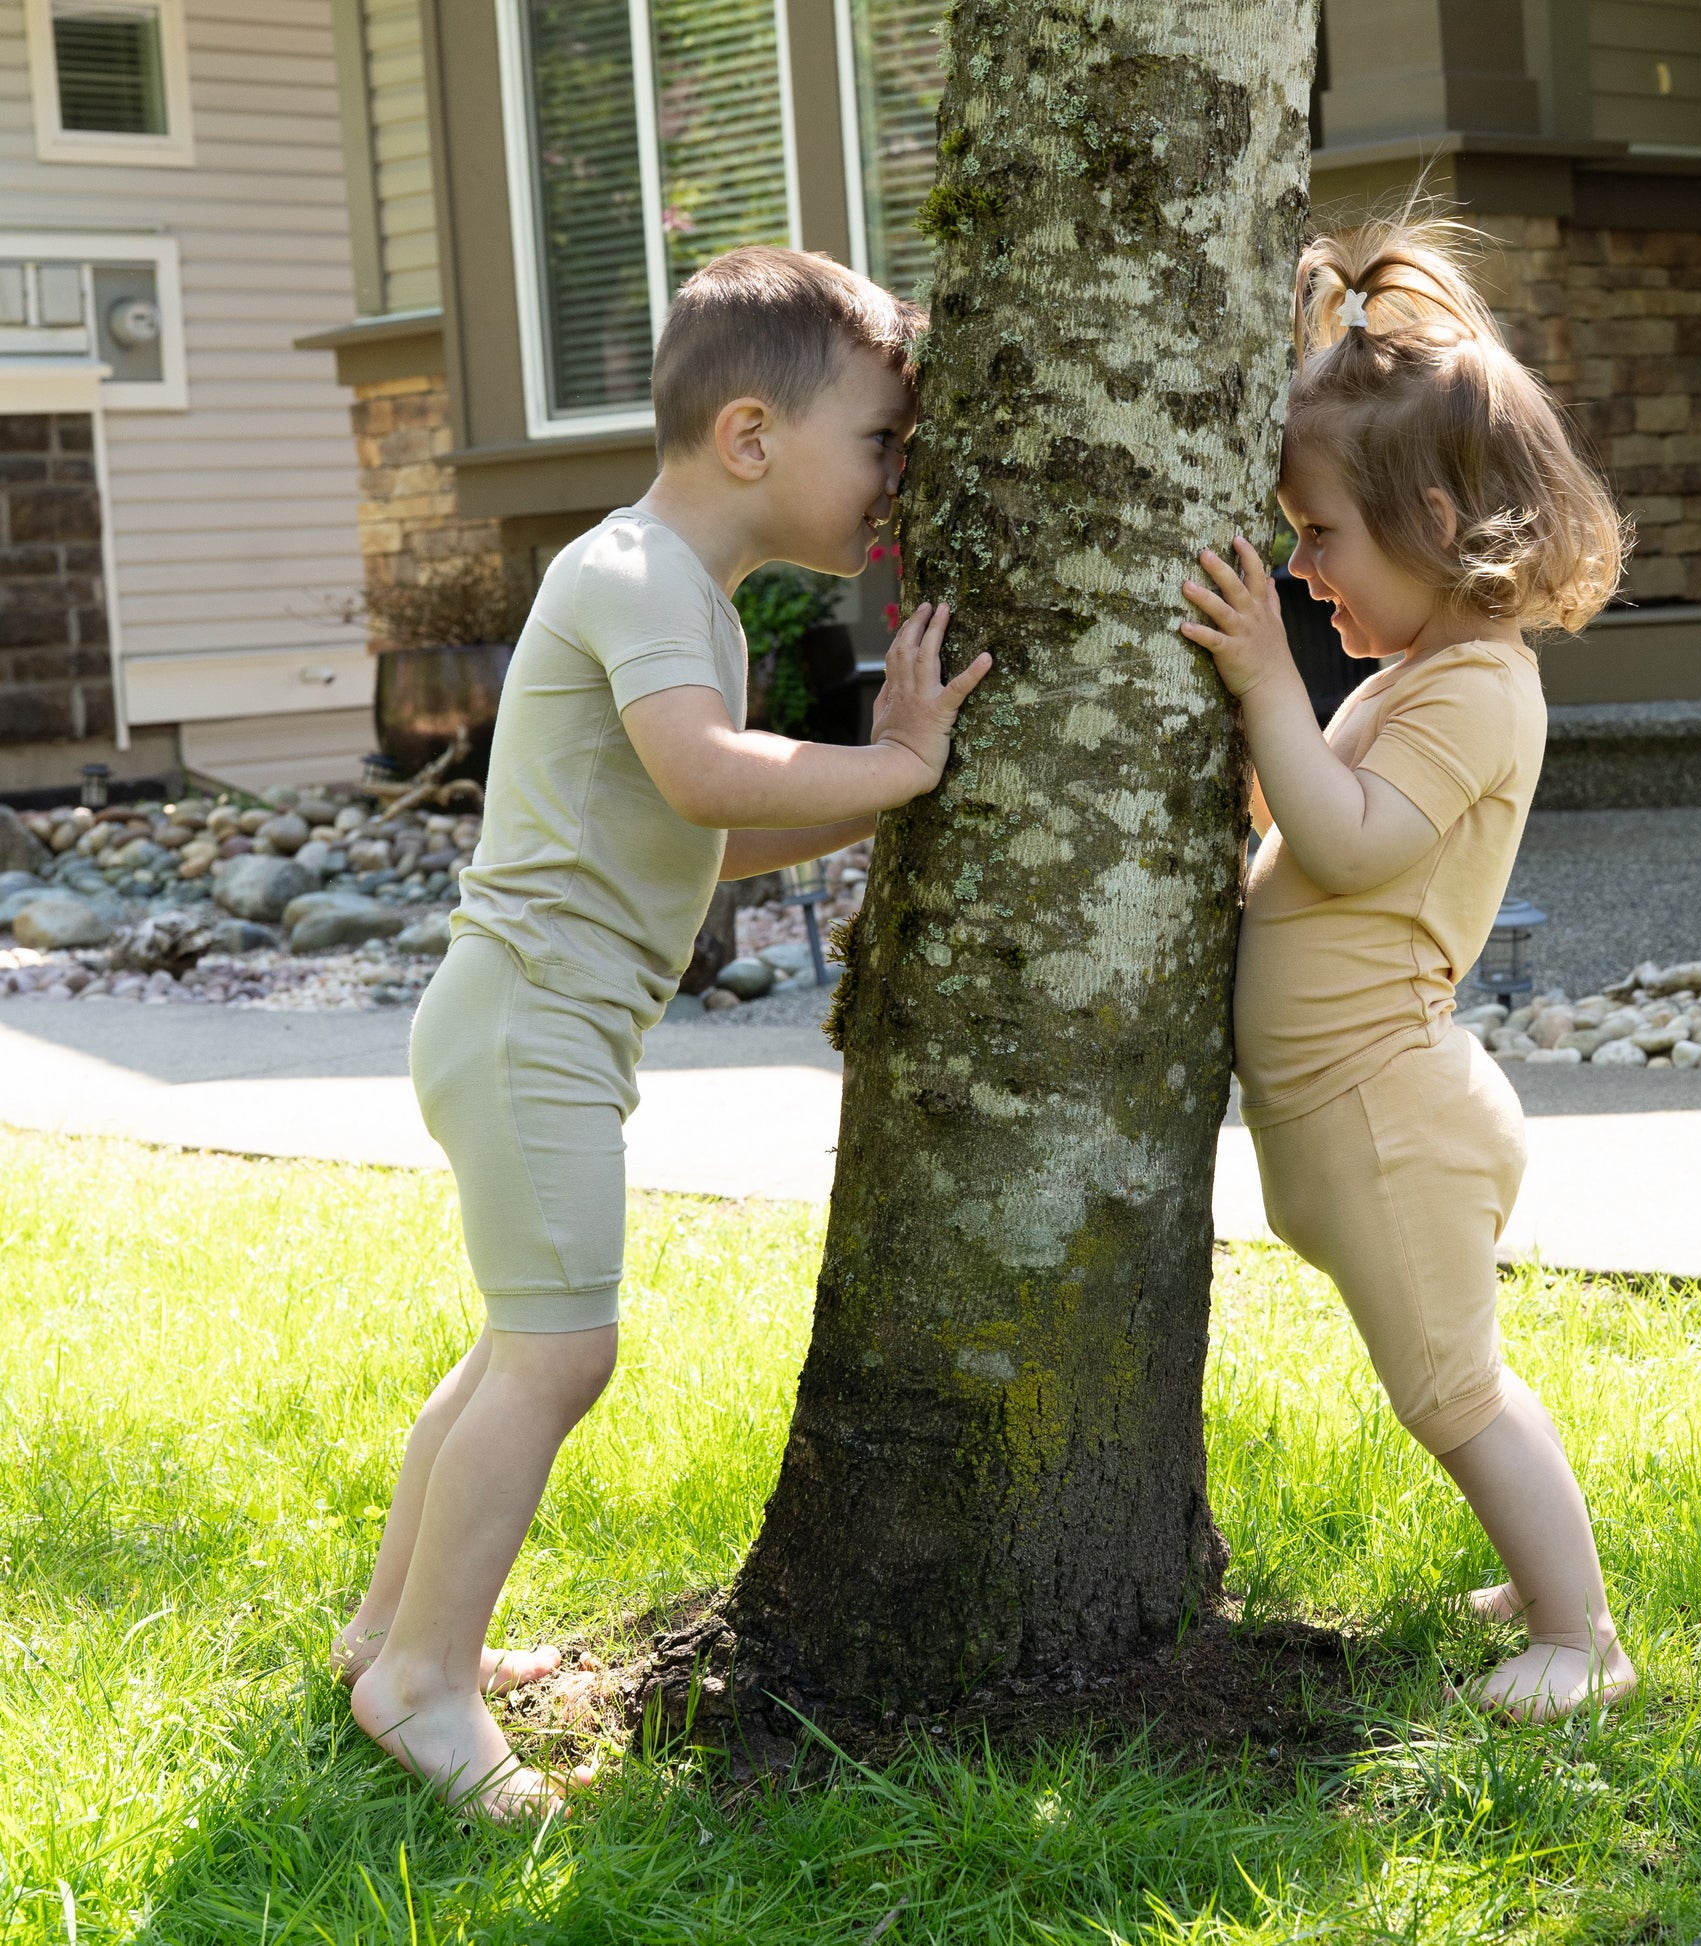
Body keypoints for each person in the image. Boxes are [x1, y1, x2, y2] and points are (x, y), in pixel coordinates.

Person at [330, 246, 990, 1818]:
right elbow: (704, 773)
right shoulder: (633, 573)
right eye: (878, 442)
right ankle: (421, 1685)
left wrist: (873, 802)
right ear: (751, 436)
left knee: (516, 1344)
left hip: (527, 1021)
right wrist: (896, 766)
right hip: (529, 1025)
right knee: (561, 1353)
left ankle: (389, 1633)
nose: (895, 481)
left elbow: (700, 831)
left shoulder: (682, 595)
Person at [1181, 214, 1634, 1721]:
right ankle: (1537, 1571)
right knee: (1455, 1382)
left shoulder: (1482, 692)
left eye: (1320, 534)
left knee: (1452, 1392)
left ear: (1432, 519)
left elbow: (1357, 841)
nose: (1300, 566)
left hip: (1393, 1115)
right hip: (1362, 1118)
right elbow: (1306, 824)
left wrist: (1266, 680)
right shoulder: (1418, 675)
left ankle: (1581, 1637)